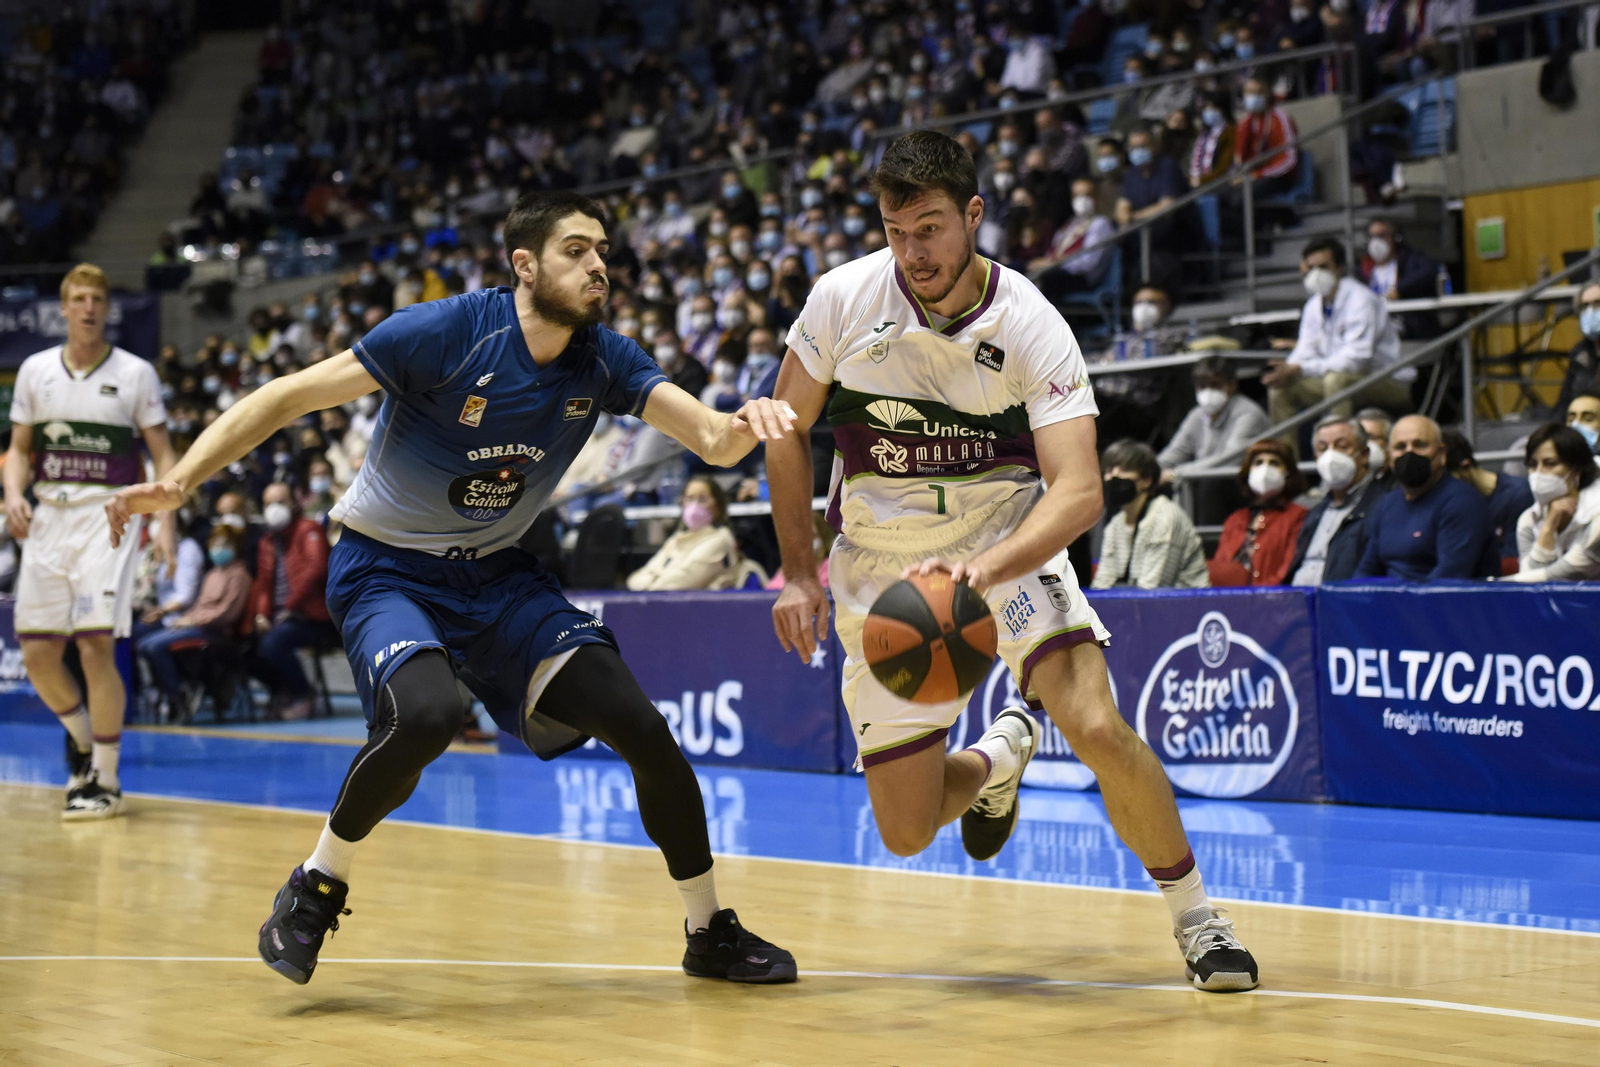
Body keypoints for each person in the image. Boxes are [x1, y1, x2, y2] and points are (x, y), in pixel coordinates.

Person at [108, 190, 798, 987]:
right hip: (386, 568)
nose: (599, 264)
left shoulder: (605, 356)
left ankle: (708, 930)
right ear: (525, 265)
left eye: (603, 250)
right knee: (428, 715)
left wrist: (757, 415)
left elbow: (712, 439)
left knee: (642, 726)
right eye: (577, 250)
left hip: (498, 576)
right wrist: (180, 481)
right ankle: (315, 884)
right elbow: (285, 396)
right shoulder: (444, 333)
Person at [764, 132, 1256, 991]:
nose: (911, 252)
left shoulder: (1030, 320)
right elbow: (782, 424)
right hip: (880, 570)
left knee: (1098, 726)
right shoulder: (843, 299)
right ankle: (1003, 756)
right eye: (894, 230)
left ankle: (1199, 919)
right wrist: (798, 569)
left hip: (1006, 542)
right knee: (908, 831)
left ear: (974, 216)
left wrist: (982, 573)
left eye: (929, 229)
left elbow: (1079, 491)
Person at [7, 263, 179, 820]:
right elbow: (19, 449)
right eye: (78, 298)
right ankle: (83, 740)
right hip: (48, 521)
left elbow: (162, 453)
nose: (87, 307)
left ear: (107, 308)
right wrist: (12, 493)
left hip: (109, 518)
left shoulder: (135, 374)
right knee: (36, 654)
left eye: (97, 299)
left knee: (94, 645)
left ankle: (105, 779)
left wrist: (167, 519)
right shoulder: (34, 371)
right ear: (63, 308)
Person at [1263, 239, 1412, 454]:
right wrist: (1287, 368)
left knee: (1337, 379)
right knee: (1280, 387)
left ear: (1340, 268)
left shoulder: (1361, 299)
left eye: (1323, 267)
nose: (1316, 274)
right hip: (1342, 380)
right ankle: (1288, 469)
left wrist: (1301, 369)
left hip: (1387, 381)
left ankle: (1342, 460)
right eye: (1311, 268)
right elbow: (1305, 349)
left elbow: (1356, 359)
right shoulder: (1313, 305)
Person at [1354, 415, 1496, 581]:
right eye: (1400, 447)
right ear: (1389, 457)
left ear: (1442, 454)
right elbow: (1367, 571)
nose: (1409, 452)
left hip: (1443, 604)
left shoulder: (1463, 503)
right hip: (1392, 602)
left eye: (1420, 445)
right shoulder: (1387, 503)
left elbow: (1448, 578)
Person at [136, 524, 253, 716]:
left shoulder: (239, 575)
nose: (218, 549)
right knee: (144, 644)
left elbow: (226, 613)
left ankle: (177, 696)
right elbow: (199, 605)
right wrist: (185, 619)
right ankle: (179, 688)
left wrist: (193, 622)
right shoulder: (213, 574)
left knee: (153, 646)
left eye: (224, 544)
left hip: (215, 631)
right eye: (215, 544)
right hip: (195, 624)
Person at [247, 481, 337, 721]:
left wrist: (289, 607)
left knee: (274, 644)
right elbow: (264, 584)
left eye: (280, 502)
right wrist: (262, 615)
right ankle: (283, 690)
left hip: (312, 616)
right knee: (245, 648)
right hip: (280, 617)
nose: (274, 508)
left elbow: (316, 569)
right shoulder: (267, 541)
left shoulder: (309, 529)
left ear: (293, 503)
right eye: (268, 504)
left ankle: (304, 693)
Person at [1157, 355, 1270, 523]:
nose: (1208, 392)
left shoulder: (1248, 413)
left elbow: (1227, 461)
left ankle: (1208, 548)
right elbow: (1174, 453)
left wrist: (1176, 474)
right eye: (1202, 386)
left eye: (1215, 385)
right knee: (1146, 485)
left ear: (1232, 385)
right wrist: (1146, 473)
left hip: (1243, 483)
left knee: (1210, 484)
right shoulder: (1197, 415)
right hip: (1204, 479)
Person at [1093, 440, 1212, 591]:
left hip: (1187, 607)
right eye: (1109, 471)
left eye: (1124, 470)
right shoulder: (1116, 524)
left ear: (1146, 480)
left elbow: (1153, 588)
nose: (1113, 477)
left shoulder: (1165, 517)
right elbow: (1102, 583)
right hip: (1135, 605)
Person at [1289, 415, 1388, 585]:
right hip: (1298, 604)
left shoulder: (1384, 505)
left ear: (1364, 454)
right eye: (1323, 448)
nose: (1331, 454)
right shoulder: (1314, 512)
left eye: (1342, 446)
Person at [1504, 423, 1600, 583]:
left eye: (1550, 464)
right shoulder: (1528, 519)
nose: (1538, 473)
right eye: (1533, 465)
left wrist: (1499, 584)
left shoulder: (1596, 517)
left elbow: (1559, 575)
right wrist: (1548, 527)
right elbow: (1530, 586)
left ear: (1577, 470)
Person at [1210, 440, 1308, 586]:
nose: (1265, 469)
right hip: (1230, 601)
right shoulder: (1235, 519)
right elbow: (1221, 567)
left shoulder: (1298, 516)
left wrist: (1259, 597)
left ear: (1287, 472)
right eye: (1258, 462)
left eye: (1274, 463)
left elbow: (1288, 570)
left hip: (1275, 600)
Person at [626, 477, 744, 591]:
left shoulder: (720, 539)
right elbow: (635, 579)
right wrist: (656, 582)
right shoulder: (677, 538)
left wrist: (652, 581)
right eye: (689, 499)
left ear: (718, 506)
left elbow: (684, 582)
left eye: (702, 499)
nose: (694, 506)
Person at [1442, 429, 1532, 567]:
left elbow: (1514, 561)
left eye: (1448, 482)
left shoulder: (1518, 495)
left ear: (1466, 466)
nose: (1445, 490)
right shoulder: (1451, 503)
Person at [1027, 178, 1115, 301]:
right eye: (1077, 196)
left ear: (1096, 197)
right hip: (1061, 271)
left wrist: (1054, 264)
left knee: (1042, 280)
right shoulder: (1071, 223)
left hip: (1081, 277)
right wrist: (1043, 262)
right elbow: (1054, 249)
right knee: (1020, 270)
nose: (1082, 200)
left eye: (1087, 195)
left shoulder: (1100, 224)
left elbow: (1088, 262)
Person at [1358, 219, 1441, 338]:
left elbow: (1430, 270)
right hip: (1375, 332)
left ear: (1395, 238)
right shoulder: (1363, 269)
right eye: (1372, 236)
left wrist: (1399, 290)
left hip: (1409, 330)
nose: (1376, 241)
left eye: (1382, 236)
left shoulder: (1410, 260)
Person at [1232, 77, 1299, 200]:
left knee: (1239, 199)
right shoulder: (1245, 123)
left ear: (1267, 94)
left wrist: (1259, 174)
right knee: (1222, 197)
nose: (1252, 97)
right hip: (1252, 176)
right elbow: (1239, 159)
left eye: (1257, 93)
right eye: (1249, 93)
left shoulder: (1280, 118)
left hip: (1278, 177)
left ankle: (1287, 216)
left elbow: (1289, 160)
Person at [1555, 283, 1600, 413]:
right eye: (1585, 306)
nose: (1591, 311)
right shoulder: (1579, 353)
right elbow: (1564, 403)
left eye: (1598, 303)